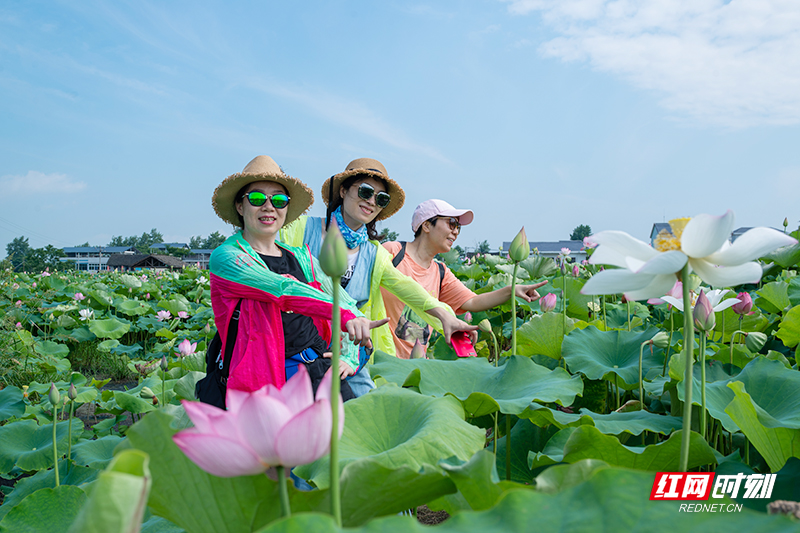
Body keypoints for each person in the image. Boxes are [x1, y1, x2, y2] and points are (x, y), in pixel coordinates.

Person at [280, 158, 477, 395]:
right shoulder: (300, 230)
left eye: (381, 198)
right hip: (296, 349)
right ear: (343, 190)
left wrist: (445, 317)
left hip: (349, 354)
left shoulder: (374, 253)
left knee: (363, 411)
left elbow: (409, 289)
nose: (371, 202)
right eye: (365, 191)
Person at [209, 155, 384, 397]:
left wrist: (349, 352)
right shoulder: (227, 257)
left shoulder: (302, 256)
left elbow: (341, 297)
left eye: (279, 200)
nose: (269, 207)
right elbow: (283, 290)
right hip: (268, 379)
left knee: (352, 431)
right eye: (257, 198)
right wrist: (345, 314)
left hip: (320, 367)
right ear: (241, 206)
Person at [382, 199, 547, 358]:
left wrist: (512, 290)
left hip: (416, 362)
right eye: (451, 223)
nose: (455, 232)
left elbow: (473, 302)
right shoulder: (393, 252)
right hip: (380, 358)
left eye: (458, 227)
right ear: (426, 225)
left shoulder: (440, 272)